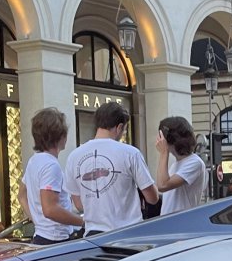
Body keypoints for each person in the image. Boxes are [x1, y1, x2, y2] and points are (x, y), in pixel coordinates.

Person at [64, 102, 158, 234]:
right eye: (124, 130)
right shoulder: (131, 153)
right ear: (119, 127)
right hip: (128, 232)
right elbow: (152, 198)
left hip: (94, 235)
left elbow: (79, 205)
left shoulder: (74, 156)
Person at [19, 107, 83, 245]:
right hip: (56, 239)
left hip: (41, 236)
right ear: (60, 136)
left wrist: (37, 221)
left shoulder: (34, 161)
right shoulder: (51, 166)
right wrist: (84, 222)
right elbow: (50, 209)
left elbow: (21, 195)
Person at [152, 116, 206, 215]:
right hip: (170, 221)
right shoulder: (176, 164)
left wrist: (164, 152)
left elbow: (162, 185)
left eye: (161, 137)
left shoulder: (195, 163)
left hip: (182, 222)